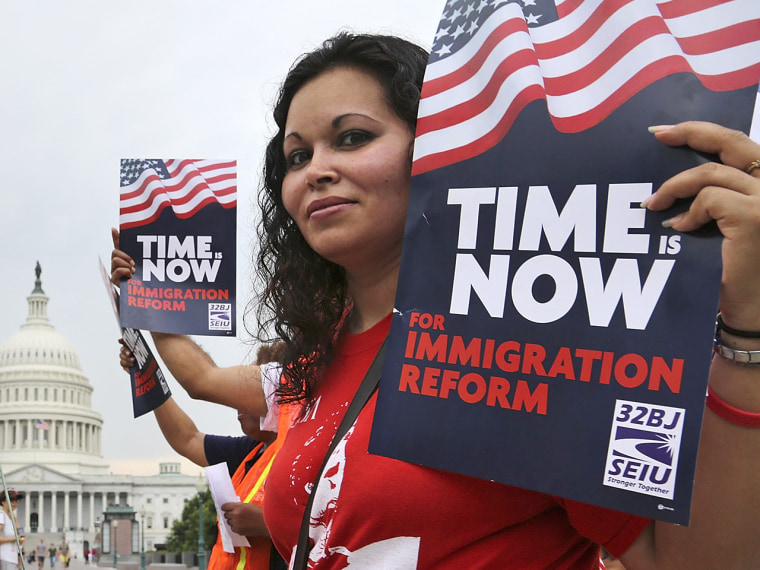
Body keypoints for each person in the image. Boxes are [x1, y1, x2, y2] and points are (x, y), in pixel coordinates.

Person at [111, 32, 760, 568]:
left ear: (441, 149)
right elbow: (200, 382)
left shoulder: (529, 339)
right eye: (297, 155)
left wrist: (749, 322)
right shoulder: (314, 361)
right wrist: (150, 291)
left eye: (353, 137)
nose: (315, 170)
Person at [113, 318, 287, 570]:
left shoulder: (310, 452)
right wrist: (146, 373)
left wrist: (266, 524)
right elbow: (186, 438)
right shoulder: (250, 451)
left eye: (247, 392)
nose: (237, 403)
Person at [0, 490, 24, 570]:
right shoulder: (1, 515)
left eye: (17, 500)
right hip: (4, 558)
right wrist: (15, 539)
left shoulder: (10, 518)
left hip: (12, 560)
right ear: (3, 502)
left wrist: (15, 520)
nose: (15, 503)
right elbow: (18, 538)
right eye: (12, 500)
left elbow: (22, 538)